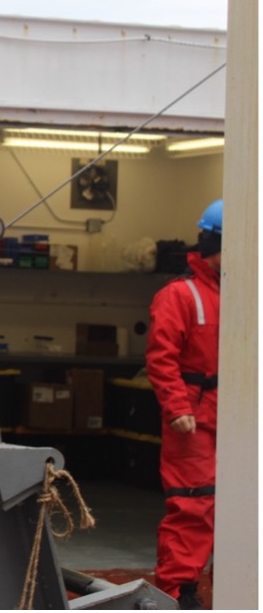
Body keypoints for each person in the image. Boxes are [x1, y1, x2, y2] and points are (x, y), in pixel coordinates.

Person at [145, 198, 222, 610]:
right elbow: (162, 357)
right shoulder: (180, 295)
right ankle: (178, 594)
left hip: (238, 418)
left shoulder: (245, 294)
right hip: (194, 419)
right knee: (192, 504)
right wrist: (177, 408)